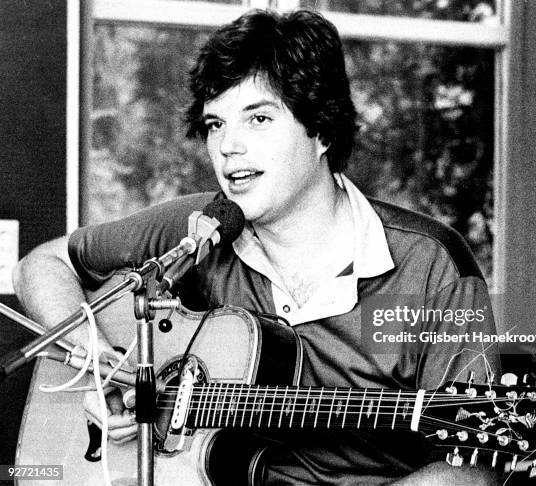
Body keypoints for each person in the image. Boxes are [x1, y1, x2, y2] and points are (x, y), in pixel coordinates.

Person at [13, 9, 500, 485]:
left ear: (322, 130)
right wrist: (103, 364)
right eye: (215, 125)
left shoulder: (433, 265)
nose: (228, 147)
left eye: (258, 118)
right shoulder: (193, 231)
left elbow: (476, 465)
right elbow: (42, 264)